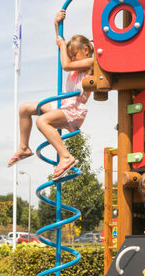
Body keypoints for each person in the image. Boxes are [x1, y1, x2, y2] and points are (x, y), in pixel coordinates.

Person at [7, 10, 94, 181]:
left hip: (74, 109)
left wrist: (63, 46)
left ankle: (66, 156)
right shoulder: (75, 61)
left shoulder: (91, 62)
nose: (71, 58)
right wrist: (57, 26)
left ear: (85, 50)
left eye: (74, 55)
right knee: (24, 108)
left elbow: (66, 66)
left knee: (42, 121)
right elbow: (63, 52)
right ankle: (24, 147)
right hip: (63, 105)